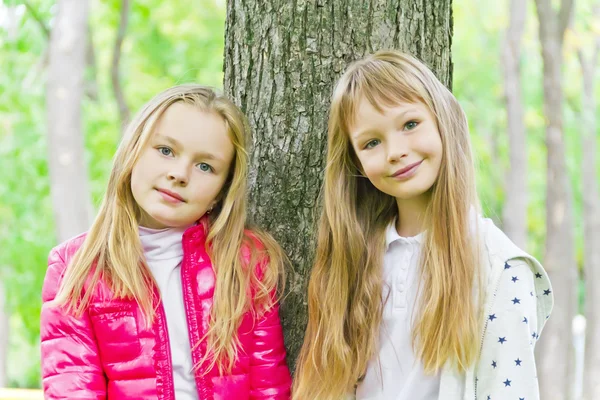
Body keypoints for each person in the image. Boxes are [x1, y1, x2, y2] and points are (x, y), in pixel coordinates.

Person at [293, 51, 553, 400]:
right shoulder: (354, 262)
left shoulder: (499, 269)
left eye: (410, 124)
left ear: (442, 120)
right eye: (371, 142)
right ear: (355, 162)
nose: (395, 151)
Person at [40, 84, 291, 399]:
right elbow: (72, 388)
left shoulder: (247, 260)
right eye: (166, 150)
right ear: (133, 152)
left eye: (205, 166)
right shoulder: (75, 266)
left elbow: (269, 386)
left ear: (220, 193)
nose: (179, 173)